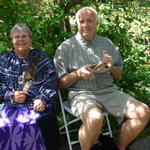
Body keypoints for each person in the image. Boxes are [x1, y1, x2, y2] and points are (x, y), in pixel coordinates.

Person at [54, 7, 150, 150]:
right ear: (77, 24)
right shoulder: (66, 47)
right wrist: (78, 73)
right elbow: (59, 83)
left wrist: (111, 66)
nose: (85, 25)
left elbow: (118, 75)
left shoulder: (107, 44)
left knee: (143, 111)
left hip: (108, 91)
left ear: (97, 23)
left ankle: (120, 147)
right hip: (81, 94)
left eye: (89, 21)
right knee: (95, 119)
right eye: (81, 21)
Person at [0, 23, 60, 150]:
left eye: (24, 36)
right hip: (10, 105)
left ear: (30, 39)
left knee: (32, 126)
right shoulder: (4, 60)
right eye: (17, 37)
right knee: (4, 125)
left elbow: (51, 81)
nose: (21, 39)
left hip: (35, 105)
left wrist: (42, 99)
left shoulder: (40, 57)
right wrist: (11, 95)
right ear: (12, 40)